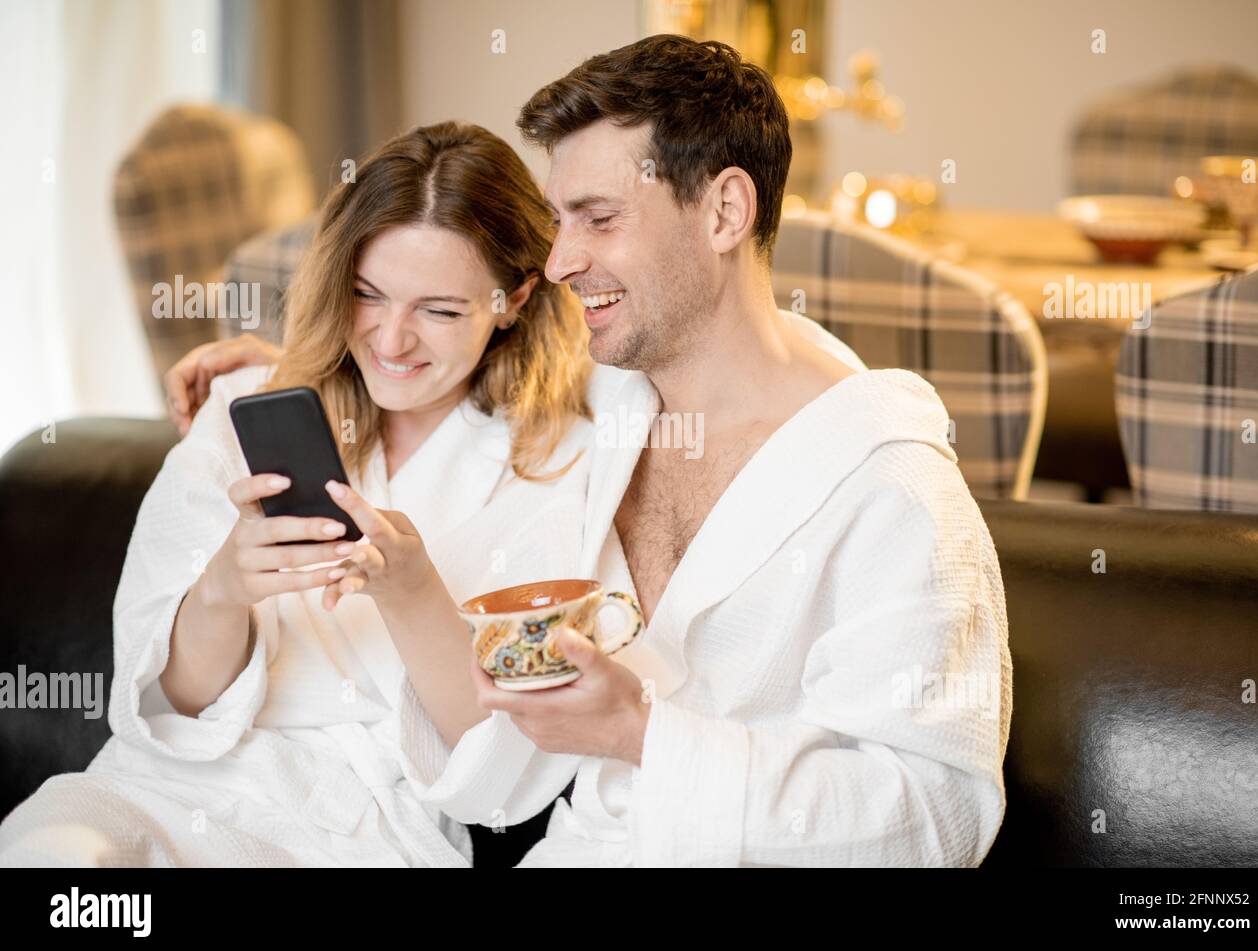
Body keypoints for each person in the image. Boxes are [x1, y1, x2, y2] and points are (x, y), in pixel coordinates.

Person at [162, 35, 1013, 868]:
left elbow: (938, 817)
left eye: (598, 219)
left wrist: (644, 737)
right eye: (561, 219)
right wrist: (292, 362)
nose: (564, 260)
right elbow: (457, 334)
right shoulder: (612, 400)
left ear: (724, 211)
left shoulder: (890, 486)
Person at [0, 122, 595, 866]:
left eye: (439, 310)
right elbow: (169, 708)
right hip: (160, 790)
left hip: (350, 827)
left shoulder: (555, 464)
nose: (391, 339)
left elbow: (499, 770)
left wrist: (412, 591)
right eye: (366, 294)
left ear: (514, 299)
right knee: (57, 860)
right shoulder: (243, 412)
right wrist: (223, 590)